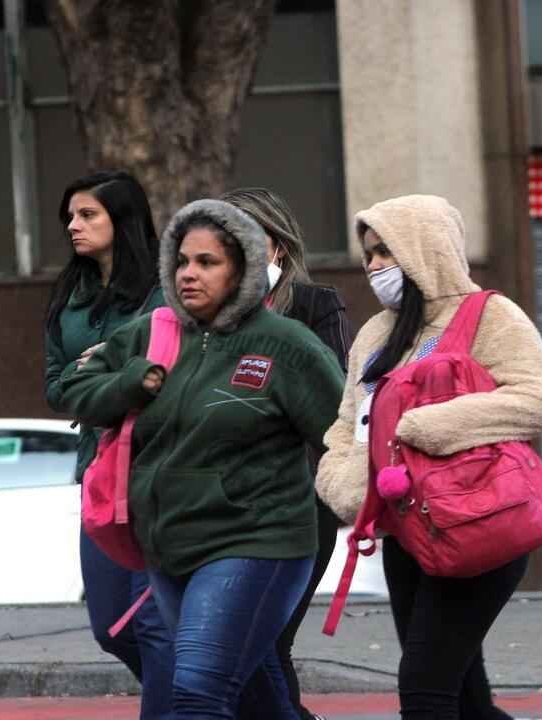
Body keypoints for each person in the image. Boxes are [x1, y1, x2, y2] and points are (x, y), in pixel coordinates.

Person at [61, 198, 346, 718]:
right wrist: (129, 384)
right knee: (250, 691)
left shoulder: (288, 344)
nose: (189, 274)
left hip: (257, 539)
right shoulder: (155, 332)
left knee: (195, 688)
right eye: (182, 261)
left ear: (244, 266)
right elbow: (74, 386)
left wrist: (375, 502)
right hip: (169, 543)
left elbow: (341, 434)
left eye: (207, 262)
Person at [315, 194, 542, 720]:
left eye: (387, 250)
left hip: (478, 520)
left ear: (425, 247)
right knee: (465, 699)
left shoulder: (490, 316)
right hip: (408, 530)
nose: (375, 265)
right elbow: (348, 423)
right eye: (368, 254)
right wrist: (345, 485)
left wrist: (430, 427)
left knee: (425, 688)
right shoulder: (375, 333)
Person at [43, 170, 173, 719]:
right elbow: (56, 386)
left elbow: (166, 372)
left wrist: (101, 370)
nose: (74, 226)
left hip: (158, 468)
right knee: (109, 626)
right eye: (70, 216)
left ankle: (183, 707)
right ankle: (204, 695)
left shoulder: (163, 290)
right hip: (97, 468)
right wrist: (102, 375)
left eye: (87, 214)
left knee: (152, 619)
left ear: (123, 220)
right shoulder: (68, 297)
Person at [221, 187, 353, 720]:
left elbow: (334, 399)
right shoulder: (199, 313)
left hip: (297, 499)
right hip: (221, 500)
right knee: (233, 650)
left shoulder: (316, 305)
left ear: (276, 249)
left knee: (266, 642)